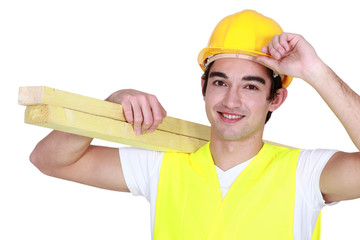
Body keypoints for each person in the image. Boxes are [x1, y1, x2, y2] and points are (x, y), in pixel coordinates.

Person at [29, 10, 360, 239]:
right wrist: (110, 106)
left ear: (276, 99)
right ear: (203, 88)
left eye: (250, 86)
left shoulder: (306, 174)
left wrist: (316, 71)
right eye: (219, 82)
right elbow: (49, 160)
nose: (231, 100)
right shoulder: (162, 165)